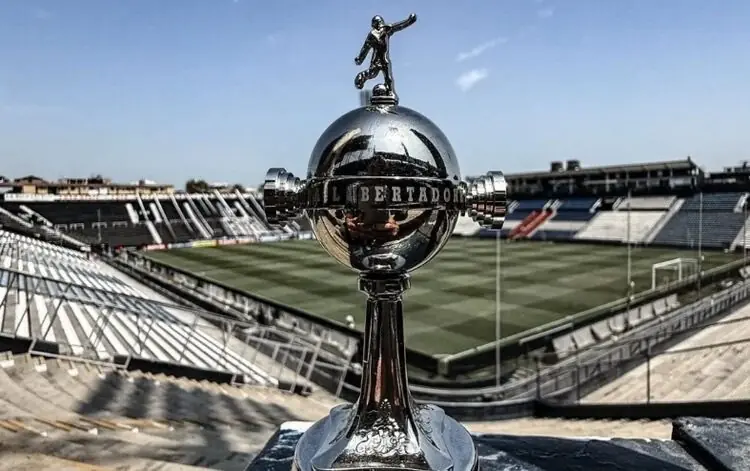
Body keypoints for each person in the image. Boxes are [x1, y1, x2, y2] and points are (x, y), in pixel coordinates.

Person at [354, 14, 417, 96]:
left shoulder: (386, 29)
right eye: (378, 23)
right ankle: (360, 77)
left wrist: (409, 21)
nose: (379, 25)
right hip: (376, 60)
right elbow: (365, 48)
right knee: (372, 74)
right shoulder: (372, 34)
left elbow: (399, 26)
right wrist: (360, 59)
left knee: (388, 77)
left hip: (384, 59)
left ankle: (390, 92)